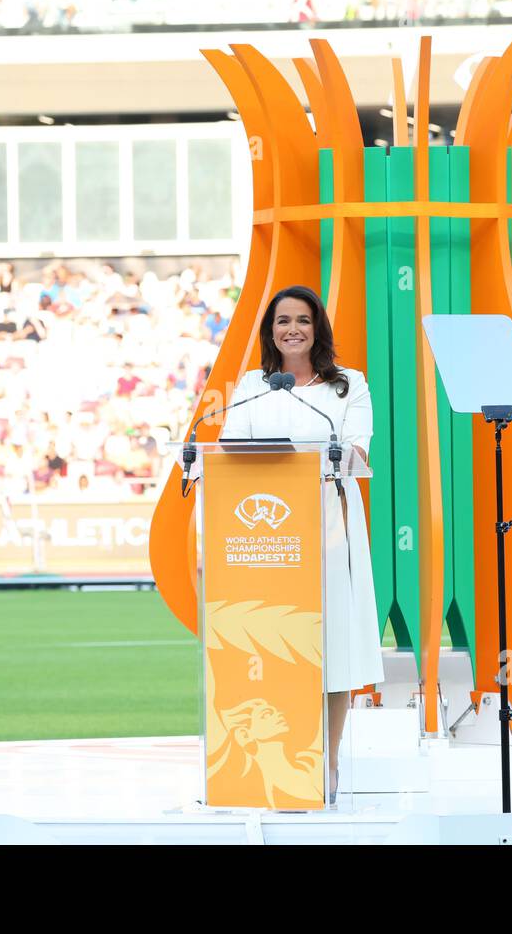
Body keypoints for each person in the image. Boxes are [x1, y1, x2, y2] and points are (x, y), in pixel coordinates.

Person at [219, 284, 385, 803]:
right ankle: (265, 768)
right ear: (270, 330)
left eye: (303, 320)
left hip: (329, 530)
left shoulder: (347, 385)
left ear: (319, 329)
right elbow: (225, 452)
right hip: (263, 540)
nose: (292, 329)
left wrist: (306, 458)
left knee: (331, 646)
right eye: (282, 320)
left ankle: (327, 764)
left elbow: (356, 453)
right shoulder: (252, 385)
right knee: (273, 644)